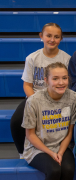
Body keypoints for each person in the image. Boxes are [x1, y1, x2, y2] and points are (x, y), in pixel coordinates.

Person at [22, 62, 76, 180]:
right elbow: (30, 135)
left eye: (64, 78)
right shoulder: (34, 101)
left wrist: (59, 152)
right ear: (46, 80)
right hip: (37, 148)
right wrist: (51, 153)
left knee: (68, 170)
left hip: (61, 145)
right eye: (56, 78)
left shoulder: (73, 98)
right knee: (54, 171)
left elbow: (69, 132)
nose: (61, 82)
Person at [11, 22, 71, 158]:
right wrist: (36, 103)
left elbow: (66, 85)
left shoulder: (66, 59)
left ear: (61, 39)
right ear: (41, 36)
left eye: (56, 37)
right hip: (35, 98)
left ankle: (61, 148)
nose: (52, 39)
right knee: (16, 121)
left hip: (57, 99)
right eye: (48, 35)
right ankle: (24, 152)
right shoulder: (32, 58)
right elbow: (27, 85)